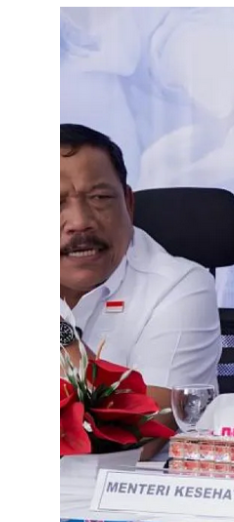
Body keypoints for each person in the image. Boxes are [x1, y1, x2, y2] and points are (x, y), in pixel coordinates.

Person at [60, 123, 222, 460]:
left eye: (100, 198)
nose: (79, 221)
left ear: (129, 203)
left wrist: (62, 337)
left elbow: (136, 439)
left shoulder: (180, 287)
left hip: (128, 491)